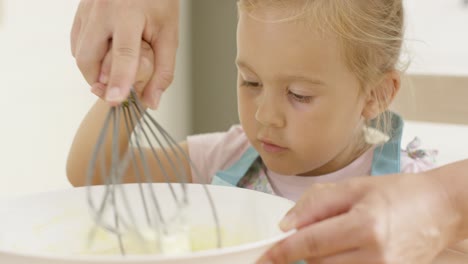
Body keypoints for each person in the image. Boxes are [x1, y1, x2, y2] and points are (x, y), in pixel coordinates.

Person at [68, 0, 468, 263]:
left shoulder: (411, 192)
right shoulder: (226, 159)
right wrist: (129, 89)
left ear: (376, 94)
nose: (266, 115)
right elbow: (95, 173)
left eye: (299, 94)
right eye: (250, 82)